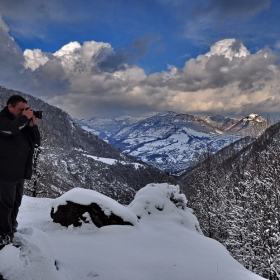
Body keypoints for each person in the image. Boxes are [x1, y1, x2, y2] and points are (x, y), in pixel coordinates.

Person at [0, 95, 40, 248]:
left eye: (25, 109)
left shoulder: (21, 123)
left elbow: (36, 142)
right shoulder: (3, 120)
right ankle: (3, 236)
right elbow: (10, 130)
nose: (24, 112)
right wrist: (24, 119)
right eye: (20, 109)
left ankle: (11, 229)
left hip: (19, 173)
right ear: (10, 107)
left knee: (16, 204)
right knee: (5, 206)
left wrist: (32, 126)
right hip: (5, 173)